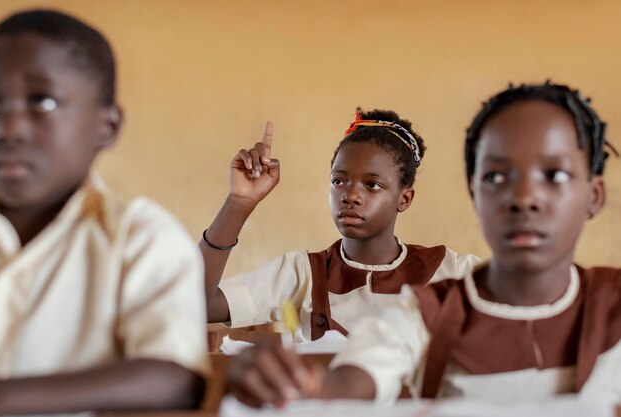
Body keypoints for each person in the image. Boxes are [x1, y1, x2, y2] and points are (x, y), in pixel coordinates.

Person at [227, 82, 621, 408]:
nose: (524, 197)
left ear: (595, 196)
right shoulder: (421, 313)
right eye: (496, 177)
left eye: (554, 174)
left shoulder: (611, 308)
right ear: (474, 193)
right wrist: (298, 382)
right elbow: (356, 376)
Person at [0, 9, 206, 414]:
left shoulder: (139, 237)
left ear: (106, 127)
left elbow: (174, 378)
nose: (9, 127)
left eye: (42, 101)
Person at [201, 108, 478, 341]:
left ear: (404, 199)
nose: (350, 196)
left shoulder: (452, 272)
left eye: (372, 185)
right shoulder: (303, 275)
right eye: (338, 181)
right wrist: (238, 203)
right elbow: (196, 304)